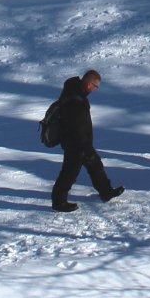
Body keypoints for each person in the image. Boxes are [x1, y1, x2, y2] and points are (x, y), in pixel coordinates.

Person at [52, 69, 124, 212]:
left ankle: (106, 191)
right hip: (76, 143)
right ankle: (58, 202)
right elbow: (76, 124)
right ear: (89, 84)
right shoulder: (75, 99)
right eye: (95, 86)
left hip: (81, 142)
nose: (95, 90)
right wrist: (82, 144)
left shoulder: (75, 91)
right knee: (69, 173)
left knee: (95, 165)